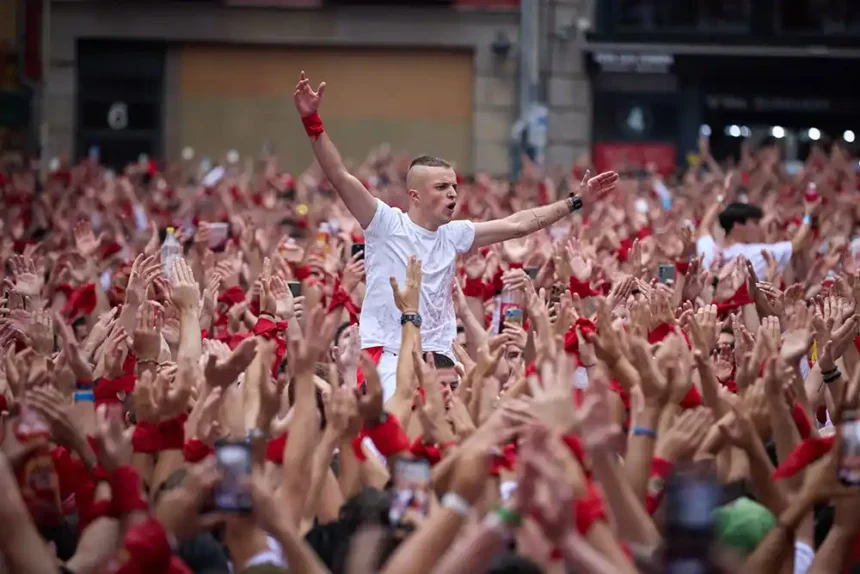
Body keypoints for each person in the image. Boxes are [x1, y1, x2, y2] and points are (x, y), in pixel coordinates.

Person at [293, 71, 618, 399]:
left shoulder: (455, 234)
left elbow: (519, 224)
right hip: (388, 355)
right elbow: (338, 175)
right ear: (415, 195)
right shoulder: (385, 223)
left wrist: (577, 201)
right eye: (441, 187)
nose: (452, 194)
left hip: (441, 356)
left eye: (454, 187)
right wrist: (312, 121)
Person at [696, 199, 818, 280]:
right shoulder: (757, 253)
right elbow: (796, 244)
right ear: (737, 225)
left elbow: (704, 226)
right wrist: (808, 214)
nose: (759, 227)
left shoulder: (708, 251)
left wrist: (720, 198)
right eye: (755, 223)